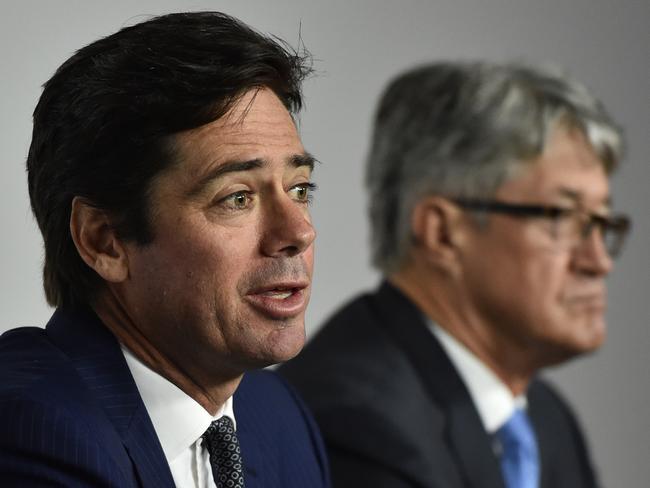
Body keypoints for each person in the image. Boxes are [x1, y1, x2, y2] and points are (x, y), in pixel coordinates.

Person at [0, 12, 330, 488]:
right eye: (237, 197)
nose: (298, 231)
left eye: (299, 189)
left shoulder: (278, 417)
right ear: (104, 240)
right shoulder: (32, 431)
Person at [279, 61, 631, 487]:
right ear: (442, 232)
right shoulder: (358, 422)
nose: (598, 261)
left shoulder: (545, 418)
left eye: (600, 224)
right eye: (561, 216)